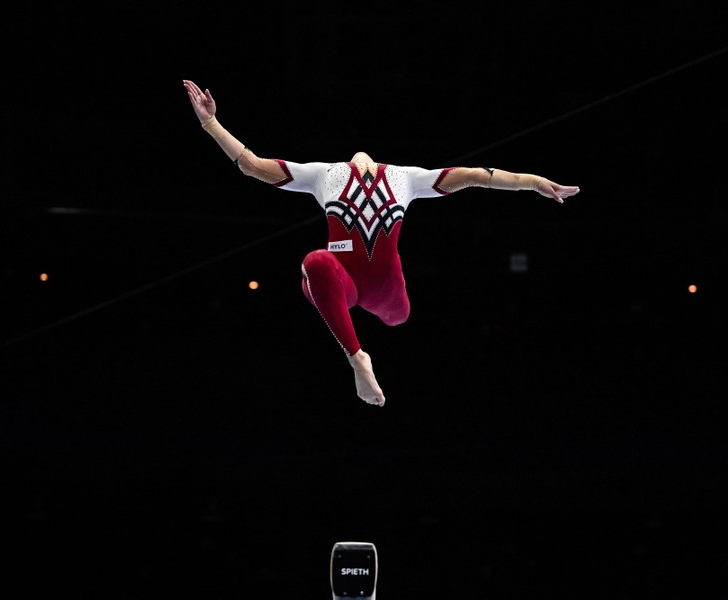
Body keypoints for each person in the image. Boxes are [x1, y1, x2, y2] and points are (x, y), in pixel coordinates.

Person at [183, 79, 580, 408]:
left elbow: (478, 175)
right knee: (315, 262)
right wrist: (211, 124)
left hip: (389, 292)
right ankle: (358, 358)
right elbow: (251, 165)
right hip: (347, 285)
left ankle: (362, 351)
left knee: (395, 315)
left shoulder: (405, 177)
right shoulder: (327, 175)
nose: (361, 156)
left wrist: (533, 182)